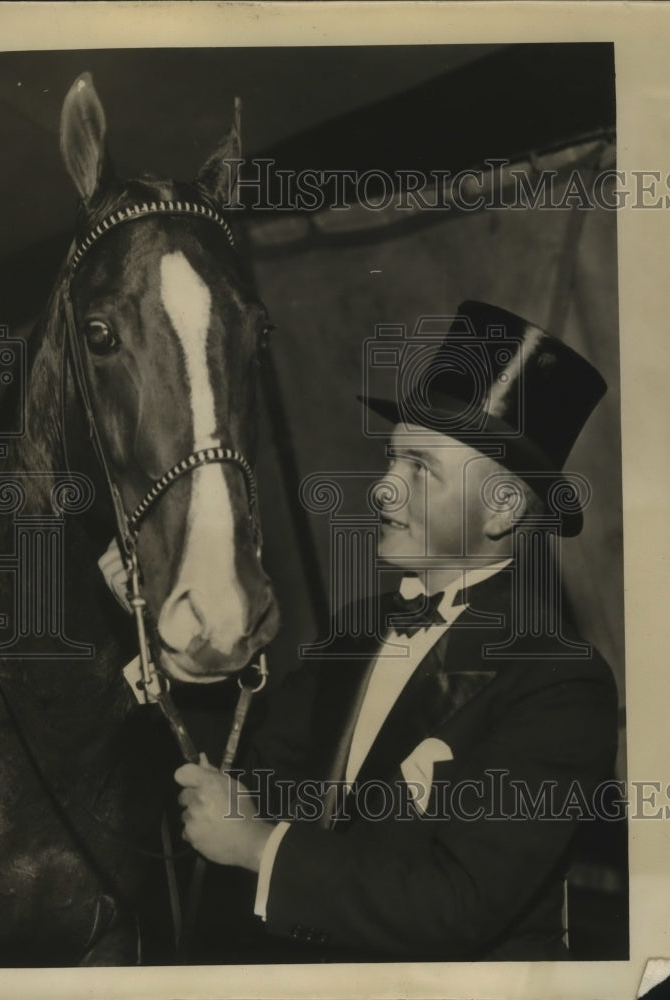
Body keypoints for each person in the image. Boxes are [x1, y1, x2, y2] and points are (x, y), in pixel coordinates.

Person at [102, 300, 619, 962]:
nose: (381, 489)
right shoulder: (359, 633)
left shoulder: (558, 683)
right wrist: (148, 627)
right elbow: (239, 778)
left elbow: (457, 904)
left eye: (419, 467)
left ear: (502, 507)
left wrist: (263, 848)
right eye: (390, 460)